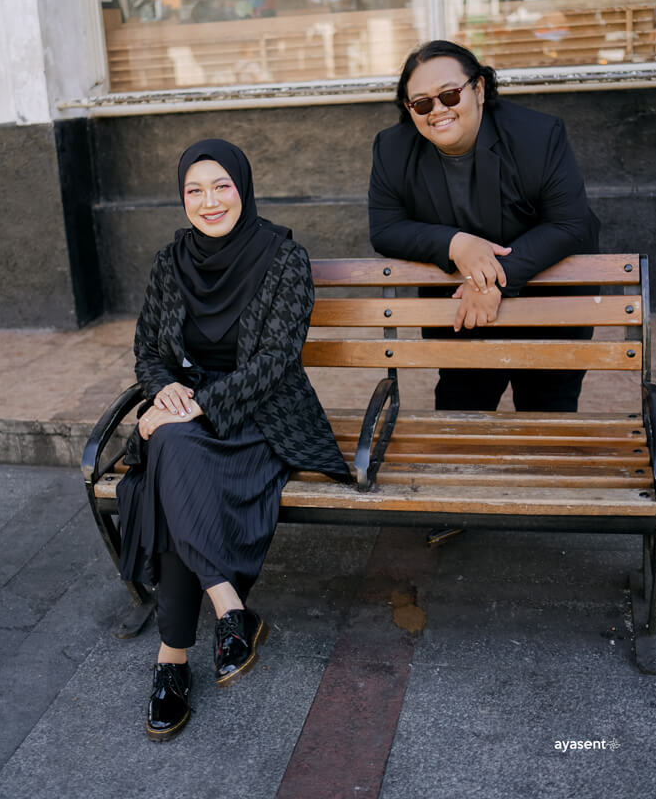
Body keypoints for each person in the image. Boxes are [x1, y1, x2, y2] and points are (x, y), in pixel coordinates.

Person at [117, 139, 351, 741]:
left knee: (168, 460)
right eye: (194, 190)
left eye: (221, 185)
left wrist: (192, 406)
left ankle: (172, 660)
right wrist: (166, 390)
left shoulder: (283, 258)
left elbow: (276, 359)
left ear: (242, 187)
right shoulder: (170, 262)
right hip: (190, 414)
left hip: (262, 414)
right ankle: (229, 609)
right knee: (173, 452)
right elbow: (147, 350)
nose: (209, 201)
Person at [368, 40, 600, 413]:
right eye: (422, 104)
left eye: (449, 95)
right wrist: (455, 243)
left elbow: (570, 223)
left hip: (549, 301)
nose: (438, 110)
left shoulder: (537, 135)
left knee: (547, 418)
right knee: (460, 413)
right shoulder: (393, 149)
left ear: (478, 88)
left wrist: (489, 280)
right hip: (463, 312)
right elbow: (386, 229)